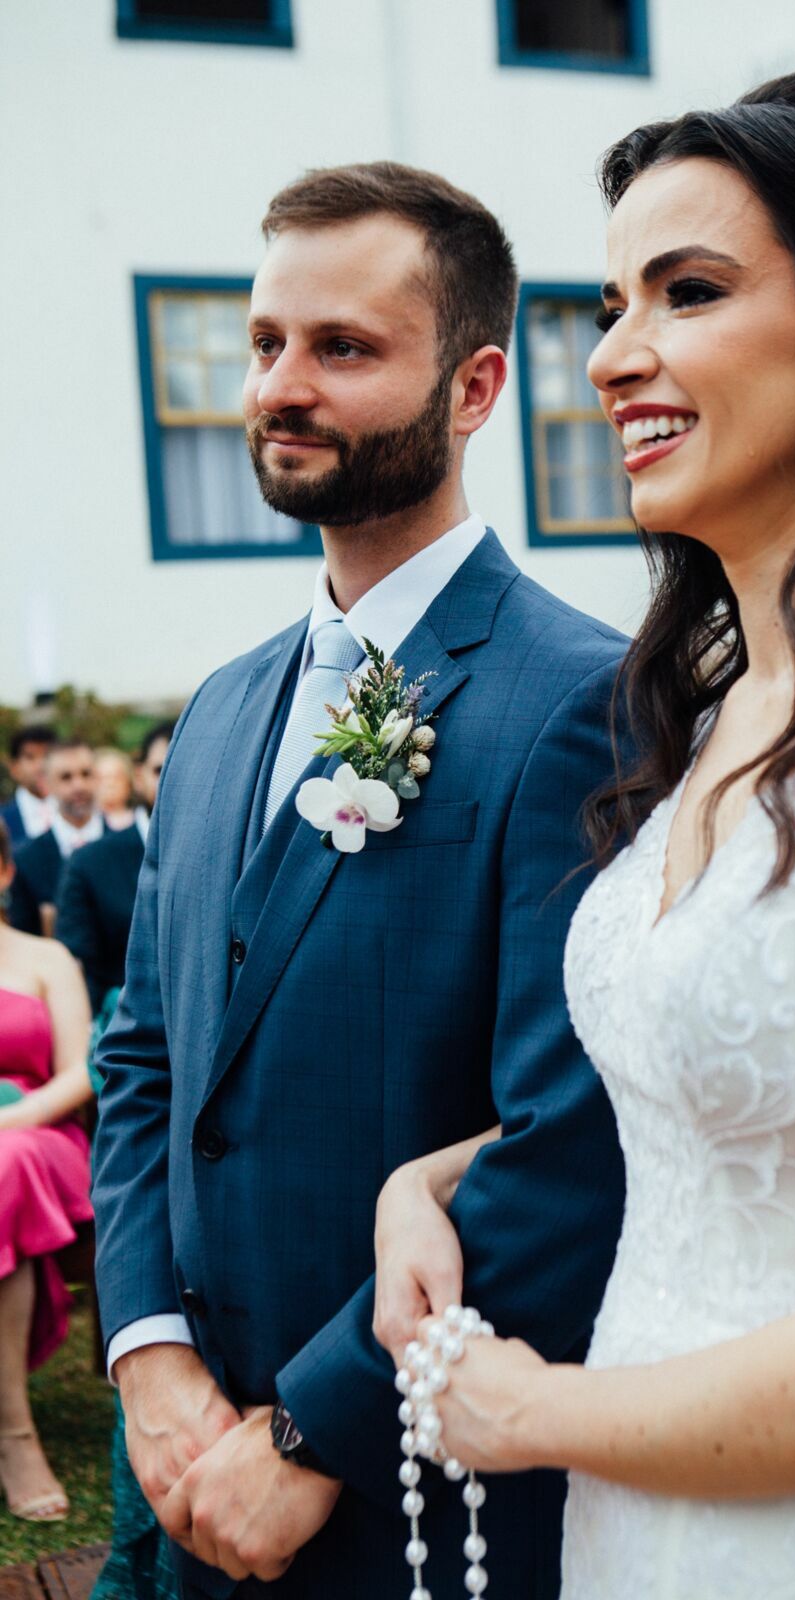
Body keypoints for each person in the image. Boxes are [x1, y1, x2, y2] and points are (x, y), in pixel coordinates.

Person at [373, 73, 795, 1598]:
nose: (614, 357)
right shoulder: (725, 709)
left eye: (687, 293)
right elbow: (766, 1107)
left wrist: (520, 1411)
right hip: (656, 1531)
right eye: (613, 304)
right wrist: (423, 1185)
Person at [91, 161, 626, 1598]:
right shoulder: (213, 713)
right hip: (178, 1468)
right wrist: (146, 1354)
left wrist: (308, 1431)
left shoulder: (579, 700)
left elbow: (564, 1140)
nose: (279, 386)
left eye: (343, 348)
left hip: (409, 1497)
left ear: (473, 388)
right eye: (267, 343)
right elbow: (143, 1052)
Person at [0, 820, 94, 1523]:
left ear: (5, 874)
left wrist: (6, 1122)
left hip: (43, 1138)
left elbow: (79, 1074)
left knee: (8, 1162)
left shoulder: (47, 957)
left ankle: (15, 1435)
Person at [56, 725, 174, 1015]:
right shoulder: (92, 863)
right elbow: (77, 967)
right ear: (139, 775)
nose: (176, 780)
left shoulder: (237, 854)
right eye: (161, 769)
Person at [8, 740, 102, 938]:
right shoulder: (26, 859)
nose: (79, 785)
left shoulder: (131, 846)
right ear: (46, 783)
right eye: (66, 777)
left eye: (86, 774)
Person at [0, 726, 56, 848]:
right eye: (30, 757)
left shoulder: (82, 811)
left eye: (47, 756)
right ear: (14, 767)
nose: (41, 766)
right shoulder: (3, 819)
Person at [94, 748, 137, 832]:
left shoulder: (142, 819)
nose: (110, 784)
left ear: (129, 783)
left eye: (116, 777)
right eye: (102, 778)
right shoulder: (88, 824)